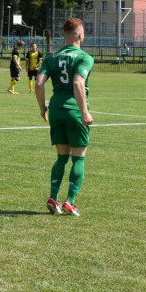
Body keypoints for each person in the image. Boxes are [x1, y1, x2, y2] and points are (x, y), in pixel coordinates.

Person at [35, 18, 94, 217]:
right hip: (74, 110)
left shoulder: (52, 58)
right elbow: (78, 83)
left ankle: (53, 197)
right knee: (79, 156)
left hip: (56, 110)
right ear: (80, 35)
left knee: (61, 157)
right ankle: (70, 201)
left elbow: (39, 83)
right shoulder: (84, 57)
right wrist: (84, 111)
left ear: (64, 35)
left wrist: (43, 108)